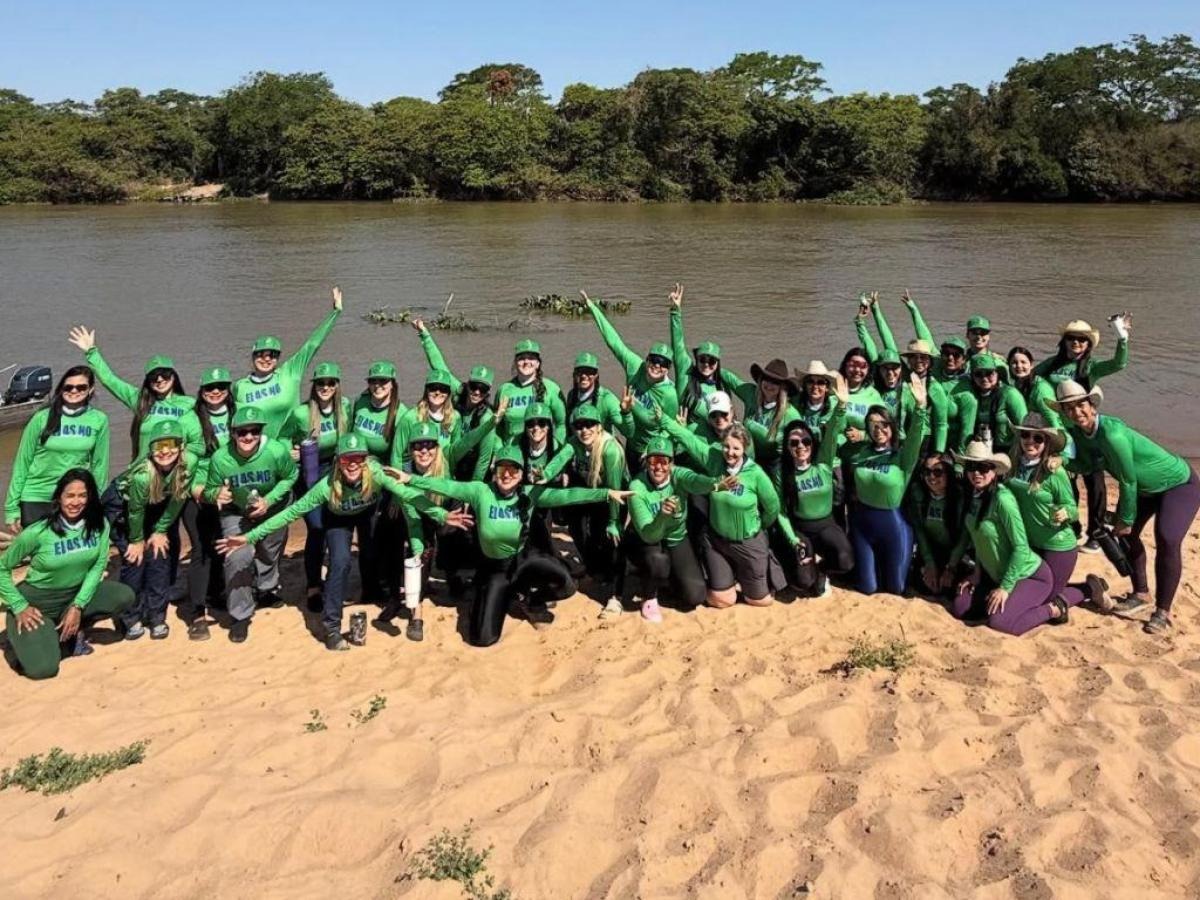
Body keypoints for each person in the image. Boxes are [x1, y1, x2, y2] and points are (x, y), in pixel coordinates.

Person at [217, 433, 462, 650]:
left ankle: (380, 593)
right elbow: (289, 515)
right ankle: (332, 627)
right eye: (347, 459)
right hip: (338, 519)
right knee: (341, 563)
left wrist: (441, 514)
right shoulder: (325, 487)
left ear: (366, 460)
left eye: (358, 458)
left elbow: (408, 495)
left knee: (374, 551)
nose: (353, 464)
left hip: (367, 512)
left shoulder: (375, 472)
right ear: (337, 461)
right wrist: (249, 537)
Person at [393, 445, 629, 646]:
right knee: (483, 638)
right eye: (502, 469)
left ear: (520, 473)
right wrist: (410, 479)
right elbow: (447, 486)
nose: (507, 475)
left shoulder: (529, 494)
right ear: (495, 472)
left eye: (513, 469)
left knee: (566, 586)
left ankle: (529, 598)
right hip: (494, 569)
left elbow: (568, 495)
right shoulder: (480, 491)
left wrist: (607, 493)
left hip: (521, 561)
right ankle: (500, 594)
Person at [1051, 380, 1200, 634]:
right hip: (1144, 489)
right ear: (1064, 413)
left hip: (1178, 484)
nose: (1077, 412)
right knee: (1126, 536)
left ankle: (1162, 613)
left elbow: (1128, 480)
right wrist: (1061, 461)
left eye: (1081, 405)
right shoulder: (1081, 434)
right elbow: (1088, 466)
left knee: (1166, 538)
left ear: (1092, 405)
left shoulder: (1112, 433)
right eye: (1069, 408)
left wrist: (1126, 518)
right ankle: (1141, 594)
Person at [946, 441, 1098, 635]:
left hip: (1030, 574)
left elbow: (1021, 547)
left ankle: (1055, 609)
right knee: (960, 608)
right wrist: (976, 573)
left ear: (994, 471)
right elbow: (979, 540)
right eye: (972, 467)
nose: (977, 473)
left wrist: (1005, 588)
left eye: (983, 467)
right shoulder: (972, 497)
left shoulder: (1003, 499)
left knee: (1001, 623)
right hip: (1001, 572)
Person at [0, 469, 134, 679]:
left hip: (73, 596)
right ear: (59, 497)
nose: (76, 502)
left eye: (82, 495)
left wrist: (78, 605)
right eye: (69, 495)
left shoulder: (99, 526)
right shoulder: (38, 532)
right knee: (44, 669)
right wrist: (18, 605)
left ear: (90, 498)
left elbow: (97, 566)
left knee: (124, 596)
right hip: (36, 605)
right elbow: (2, 567)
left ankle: (71, 628)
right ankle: (36, 640)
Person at [660, 414, 795, 608]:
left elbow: (772, 506)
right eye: (726, 446)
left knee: (760, 601)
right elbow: (688, 440)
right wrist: (664, 420)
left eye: (736, 448)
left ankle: (748, 573)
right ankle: (722, 577)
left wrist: (758, 526)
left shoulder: (755, 473)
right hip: (717, 542)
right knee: (724, 601)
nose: (730, 452)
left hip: (748, 542)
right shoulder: (714, 460)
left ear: (745, 448)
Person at [384, 418, 497, 636]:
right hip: (421, 516)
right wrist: (419, 554)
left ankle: (455, 578)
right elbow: (413, 524)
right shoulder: (403, 477)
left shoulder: (447, 457)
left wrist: (493, 421)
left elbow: (469, 439)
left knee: (461, 535)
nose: (424, 451)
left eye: (429, 445)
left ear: (437, 448)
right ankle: (416, 613)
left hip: (449, 507)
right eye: (418, 446)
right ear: (410, 450)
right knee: (421, 553)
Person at [1035, 315, 1132, 553]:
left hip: (1085, 429)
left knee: (1095, 480)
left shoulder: (1090, 367)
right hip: (1061, 432)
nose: (1076, 343)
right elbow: (1029, 377)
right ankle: (1073, 526)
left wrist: (1122, 338)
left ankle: (1096, 533)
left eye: (1082, 339)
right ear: (1064, 341)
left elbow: (1118, 364)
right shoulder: (1052, 364)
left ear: (1089, 344)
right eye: (1071, 339)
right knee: (1067, 481)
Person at [203, 406, 298, 642]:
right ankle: (240, 614)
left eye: (254, 431)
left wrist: (269, 500)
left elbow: (291, 476)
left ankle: (266, 588)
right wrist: (217, 494)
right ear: (232, 433)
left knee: (270, 549)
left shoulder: (275, 451)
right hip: (236, 511)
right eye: (242, 432)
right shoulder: (220, 458)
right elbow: (210, 489)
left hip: (272, 505)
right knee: (238, 555)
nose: (248, 437)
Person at [101, 419, 197, 640]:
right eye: (158, 446)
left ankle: (156, 616)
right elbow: (134, 512)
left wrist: (160, 531)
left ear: (181, 446)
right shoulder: (143, 476)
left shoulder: (188, 463)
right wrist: (136, 540)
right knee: (135, 560)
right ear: (150, 449)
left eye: (171, 444)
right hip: (122, 508)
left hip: (154, 505)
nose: (165, 451)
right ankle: (130, 618)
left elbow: (178, 500)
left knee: (158, 555)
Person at [1005, 413, 1107, 605]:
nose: (1030, 442)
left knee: (1047, 600)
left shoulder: (1054, 472)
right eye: (1025, 435)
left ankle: (1088, 588)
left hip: (1056, 545)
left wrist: (1066, 513)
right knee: (1027, 595)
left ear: (1047, 442)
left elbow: (1073, 509)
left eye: (1038, 438)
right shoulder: (1012, 466)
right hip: (1029, 544)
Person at [842, 374, 929, 595]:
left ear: (891, 426)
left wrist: (920, 407)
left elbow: (916, 436)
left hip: (892, 525)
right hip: (862, 524)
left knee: (895, 588)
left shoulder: (903, 457)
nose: (878, 430)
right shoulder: (862, 453)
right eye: (872, 426)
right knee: (867, 588)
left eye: (883, 425)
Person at [625, 437, 729, 620]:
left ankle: (666, 579)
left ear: (671, 464)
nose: (658, 467)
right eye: (653, 461)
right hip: (647, 540)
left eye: (664, 461)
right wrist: (662, 515)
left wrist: (714, 484)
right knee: (658, 561)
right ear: (646, 462)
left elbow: (695, 480)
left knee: (695, 596)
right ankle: (649, 596)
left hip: (675, 538)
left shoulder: (678, 475)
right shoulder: (637, 487)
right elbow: (650, 535)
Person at [68, 327, 200, 461]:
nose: (159, 379)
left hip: (177, 470)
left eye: (164, 374)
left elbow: (202, 439)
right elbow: (109, 380)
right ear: (148, 381)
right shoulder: (140, 399)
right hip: (144, 471)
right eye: (154, 376)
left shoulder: (189, 403)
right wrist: (91, 352)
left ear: (173, 376)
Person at [279, 362, 350, 612]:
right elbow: (281, 440)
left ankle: (334, 577)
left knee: (335, 524)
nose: (325, 387)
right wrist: (291, 452)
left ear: (337, 386)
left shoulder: (346, 409)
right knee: (317, 527)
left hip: (337, 471)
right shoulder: (301, 413)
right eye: (320, 383)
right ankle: (313, 585)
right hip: (308, 472)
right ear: (314, 386)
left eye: (331, 383)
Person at [774, 378, 855, 595]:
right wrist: (793, 540)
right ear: (788, 447)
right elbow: (781, 511)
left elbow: (832, 433)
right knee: (803, 582)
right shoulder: (784, 473)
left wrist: (841, 406)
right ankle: (803, 567)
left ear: (812, 443)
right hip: (801, 529)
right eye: (794, 443)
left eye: (805, 442)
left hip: (826, 525)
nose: (800, 446)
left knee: (846, 561)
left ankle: (822, 570)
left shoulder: (823, 464)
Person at [5, 366, 110, 532]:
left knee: (70, 554)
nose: (74, 391)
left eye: (81, 387)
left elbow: (100, 466)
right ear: (61, 389)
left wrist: (97, 502)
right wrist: (11, 508)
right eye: (68, 387)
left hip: (74, 499)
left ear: (90, 390)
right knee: (40, 555)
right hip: (36, 496)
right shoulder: (41, 418)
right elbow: (22, 463)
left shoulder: (99, 420)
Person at [584, 291, 679, 471]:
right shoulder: (636, 367)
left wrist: (654, 451)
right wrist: (592, 308)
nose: (656, 366)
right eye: (653, 360)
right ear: (647, 360)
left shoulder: (669, 394)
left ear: (668, 369)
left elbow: (670, 429)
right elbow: (614, 343)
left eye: (663, 363)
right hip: (631, 445)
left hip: (651, 453)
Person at [232, 286, 343, 438]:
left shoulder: (290, 373)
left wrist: (335, 313)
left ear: (277, 358)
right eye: (260, 354)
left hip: (291, 450)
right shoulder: (240, 387)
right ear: (252, 357)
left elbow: (311, 345)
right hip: (254, 450)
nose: (266, 359)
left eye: (272, 355)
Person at [179, 366, 235, 640]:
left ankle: (217, 594)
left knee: (222, 545)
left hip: (228, 492)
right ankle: (197, 612)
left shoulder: (236, 415)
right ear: (201, 393)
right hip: (198, 492)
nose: (216, 392)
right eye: (210, 388)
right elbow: (181, 463)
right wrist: (195, 489)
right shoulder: (190, 421)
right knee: (201, 549)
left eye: (221, 388)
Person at [557, 403, 628, 618]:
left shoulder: (610, 450)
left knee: (612, 541)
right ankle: (598, 571)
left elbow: (615, 488)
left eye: (589, 424)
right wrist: (548, 473)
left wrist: (614, 521)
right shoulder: (574, 443)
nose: (584, 430)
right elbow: (559, 459)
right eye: (579, 426)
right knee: (578, 528)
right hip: (592, 492)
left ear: (599, 427)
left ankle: (616, 596)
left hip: (615, 498)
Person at [411, 318, 500, 481]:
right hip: (452, 460)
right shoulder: (458, 391)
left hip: (474, 466)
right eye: (474, 386)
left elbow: (483, 460)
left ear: (488, 393)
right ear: (468, 384)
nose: (477, 392)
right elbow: (439, 367)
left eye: (483, 389)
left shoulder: (486, 417)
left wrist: (473, 493)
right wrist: (424, 334)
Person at [668, 283, 737, 423]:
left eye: (711, 361)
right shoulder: (686, 374)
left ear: (717, 363)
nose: (706, 364)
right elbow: (678, 345)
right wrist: (675, 311)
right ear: (696, 360)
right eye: (702, 360)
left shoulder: (722, 385)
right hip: (686, 436)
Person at [908, 453, 960, 596]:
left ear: (949, 474)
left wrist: (951, 567)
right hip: (932, 551)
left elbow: (964, 537)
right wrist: (929, 563)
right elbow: (920, 531)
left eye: (937, 472)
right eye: (927, 472)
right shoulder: (919, 495)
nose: (931, 477)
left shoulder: (960, 498)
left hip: (955, 555)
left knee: (950, 590)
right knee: (920, 583)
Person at [495, 340, 567, 444]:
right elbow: (496, 427)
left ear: (538, 364)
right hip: (510, 455)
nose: (526, 362)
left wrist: (555, 447)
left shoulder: (552, 388)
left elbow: (562, 424)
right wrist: (500, 451)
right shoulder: (504, 389)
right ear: (515, 363)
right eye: (521, 358)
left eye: (531, 358)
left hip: (542, 453)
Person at [954, 353, 1027, 451]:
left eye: (989, 373)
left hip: (1006, 450)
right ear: (972, 377)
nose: (984, 378)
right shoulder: (971, 395)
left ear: (997, 374)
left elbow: (1025, 427)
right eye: (978, 374)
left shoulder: (1010, 394)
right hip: (979, 448)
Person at [565, 352, 624, 434]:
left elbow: (627, 431)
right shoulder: (571, 395)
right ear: (574, 375)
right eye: (580, 371)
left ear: (596, 375)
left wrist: (626, 413)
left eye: (589, 371)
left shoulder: (607, 400)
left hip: (601, 445)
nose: (584, 376)